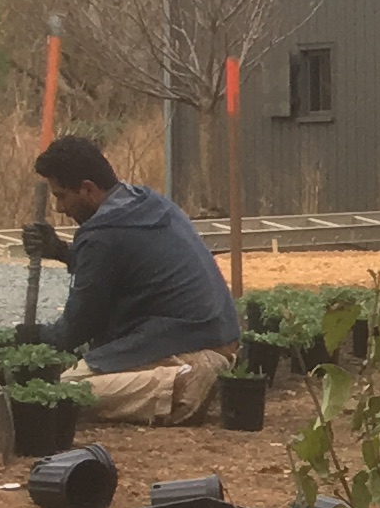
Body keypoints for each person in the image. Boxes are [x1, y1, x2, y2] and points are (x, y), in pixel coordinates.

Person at [29, 133, 241, 422]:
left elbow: (72, 332)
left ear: (88, 189)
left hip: (186, 346)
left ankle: (183, 388)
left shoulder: (102, 235)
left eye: (62, 196)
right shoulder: (148, 203)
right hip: (218, 336)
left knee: (68, 389)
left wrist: (30, 336)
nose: (59, 209)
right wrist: (61, 251)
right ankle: (194, 376)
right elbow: (117, 267)